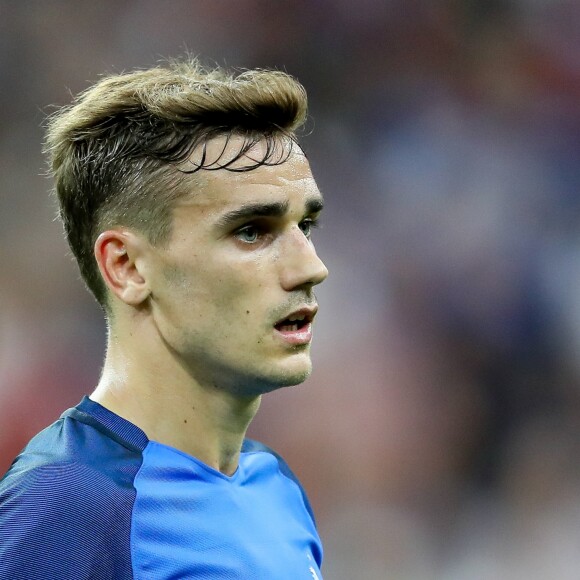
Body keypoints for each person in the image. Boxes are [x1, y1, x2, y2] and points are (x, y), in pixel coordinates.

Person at [0, 59, 328, 579]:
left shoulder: (275, 486)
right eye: (251, 231)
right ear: (126, 266)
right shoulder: (64, 506)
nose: (311, 267)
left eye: (305, 225)